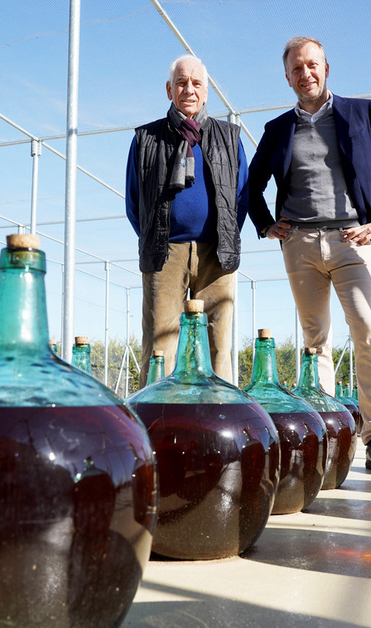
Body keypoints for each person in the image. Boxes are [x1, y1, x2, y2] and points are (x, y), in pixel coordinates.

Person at [248, 36, 371, 473]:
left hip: (351, 240)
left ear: (326, 68)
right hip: (299, 243)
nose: (306, 74)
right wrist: (267, 224)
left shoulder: (362, 113)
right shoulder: (277, 130)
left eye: (313, 65)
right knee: (314, 339)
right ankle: (323, 433)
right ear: (287, 78)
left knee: (367, 329)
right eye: (297, 69)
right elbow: (251, 186)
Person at [126, 54, 248, 387]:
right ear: (169, 89)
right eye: (181, 82)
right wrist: (157, 237)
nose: (189, 89)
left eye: (196, 83)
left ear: (206, 91)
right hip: (164, 254)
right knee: (159, 345)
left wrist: (224, 234)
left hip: (217, 255)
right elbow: (135, 203)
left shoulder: (229, 137)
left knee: (217, 346)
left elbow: (241, 196)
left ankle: (218, 421)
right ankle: (156, 427)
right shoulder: (145, 140)